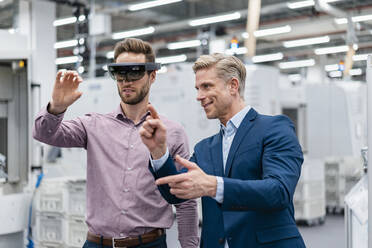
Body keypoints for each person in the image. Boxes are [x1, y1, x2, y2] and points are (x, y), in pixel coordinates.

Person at [33, 38, 199, 248]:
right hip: (97, 243)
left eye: (135, 72)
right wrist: (56, 108)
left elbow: (185, 201)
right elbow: (43, 134)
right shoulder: (93, 125)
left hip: (149, 244)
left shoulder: (172, 133)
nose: (126, 80)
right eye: (119, 73)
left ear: (152, 76)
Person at [139, 53, 306, 248]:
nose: (199, 96)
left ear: (233, 86)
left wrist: (214, 186)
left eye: (207, 86)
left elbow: (278, 191)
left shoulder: (275, 128)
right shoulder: (204, 148)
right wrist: (159, 151)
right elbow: (174, 193)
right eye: (197, 88)